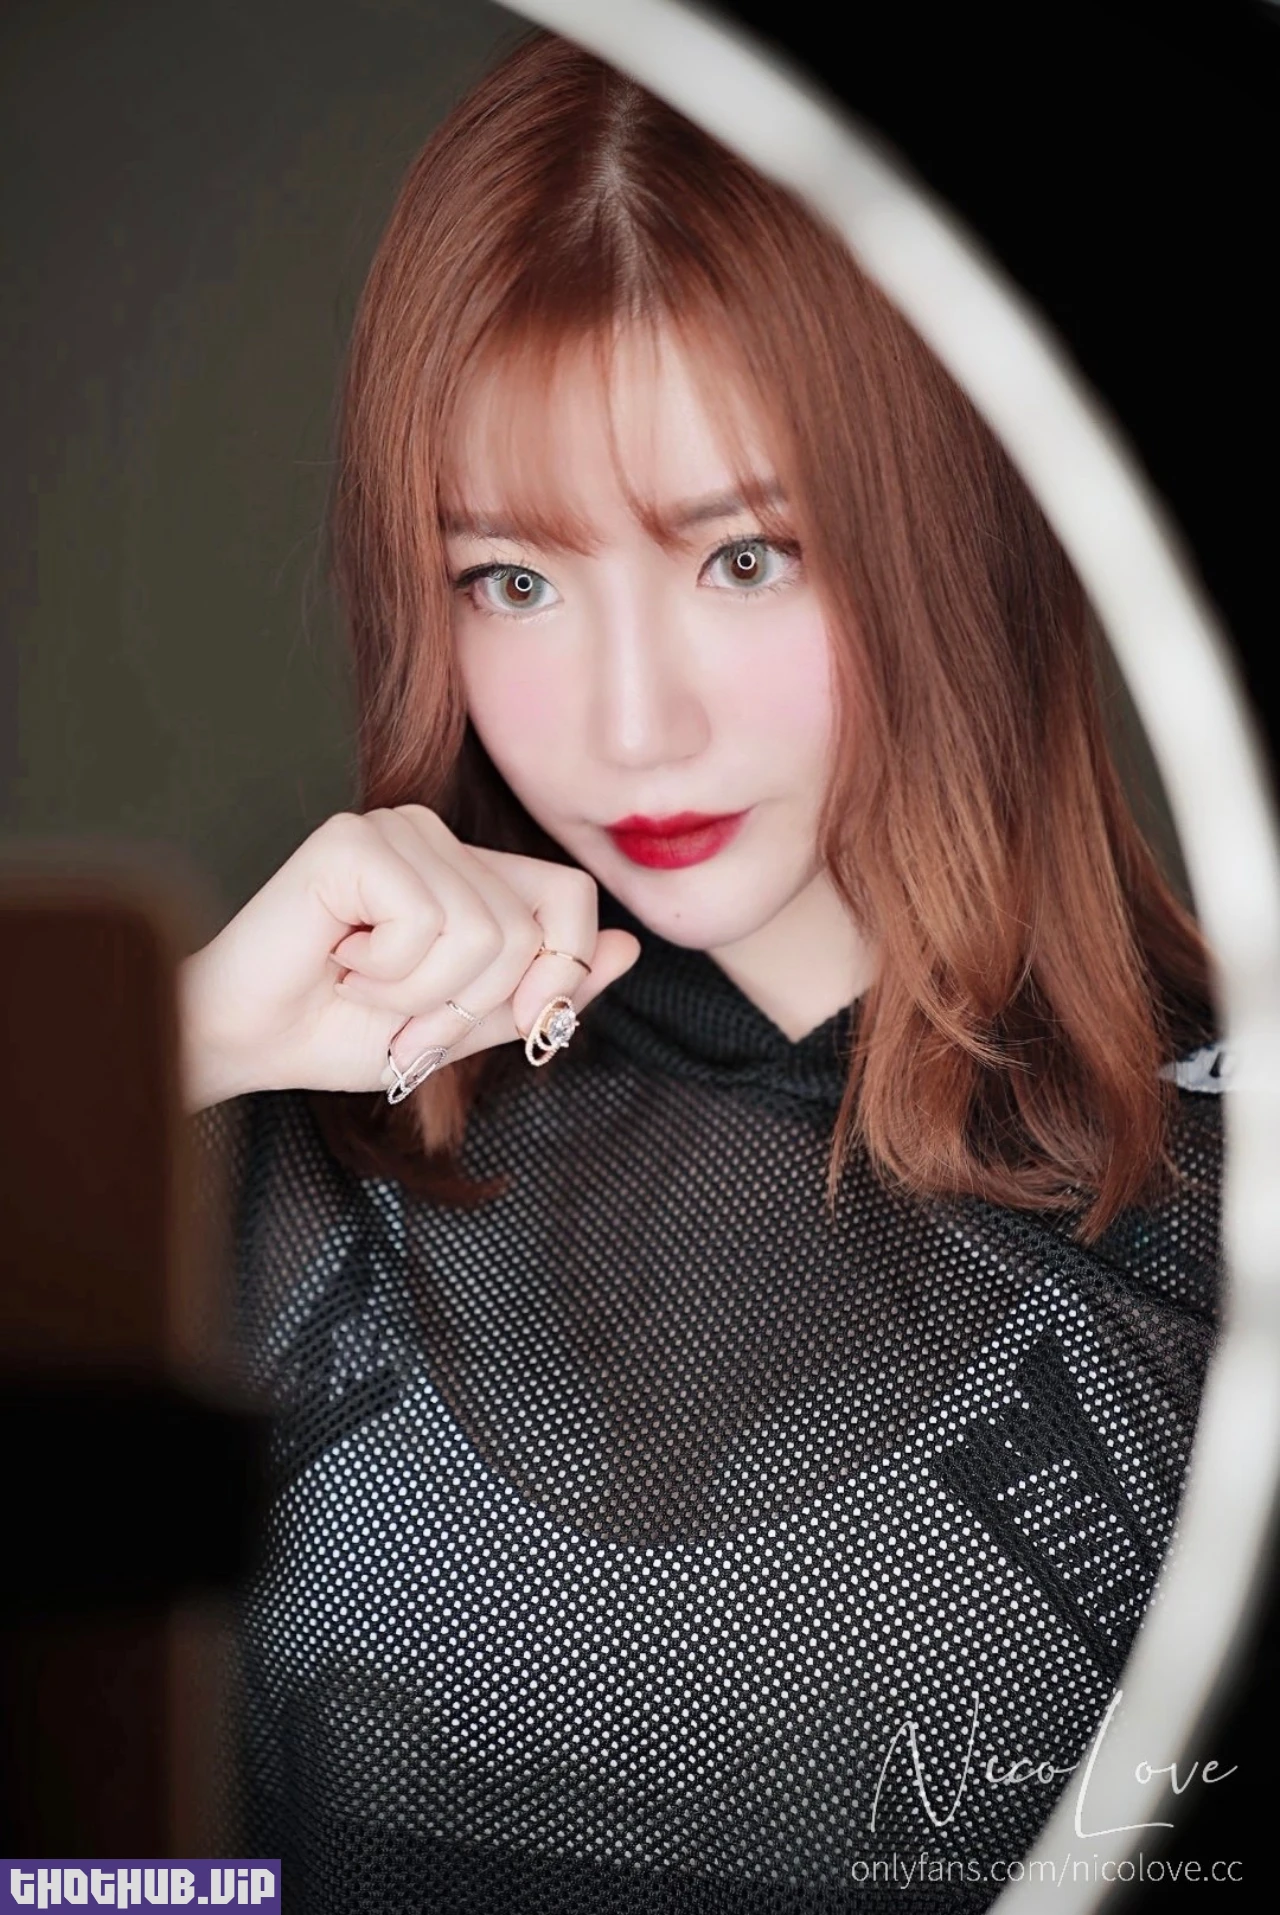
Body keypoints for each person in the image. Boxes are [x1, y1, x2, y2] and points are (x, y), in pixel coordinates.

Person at [184, 27, 1225, 1913]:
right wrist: (167, 1057)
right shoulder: (273, 1147)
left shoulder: (1225, 1225)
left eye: (744, 558)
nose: (630, 726)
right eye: (513, 578)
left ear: (960, 530)